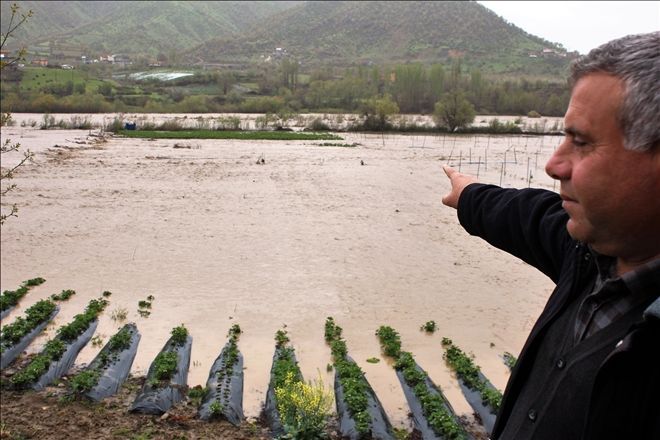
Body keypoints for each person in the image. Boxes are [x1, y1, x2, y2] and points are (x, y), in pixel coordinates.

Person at [442, 32, 659, 440]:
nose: (554, 164)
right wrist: (469, 196)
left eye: (580, 142)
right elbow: (529, 216)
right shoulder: (589, 253)